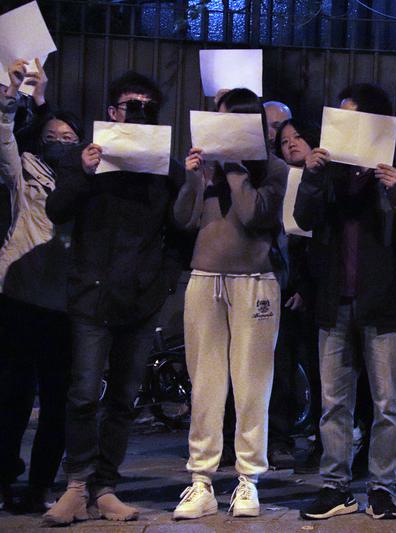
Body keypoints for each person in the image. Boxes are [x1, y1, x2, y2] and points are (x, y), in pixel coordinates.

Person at [42, 71, 185, 526]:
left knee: (123, 399)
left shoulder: (166, 169)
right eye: (130, 105)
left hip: (140, 301)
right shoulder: (86, 160)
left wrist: (162, 282)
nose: (138, 112)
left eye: (147, 107)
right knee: (83, 394)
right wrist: (84, 171)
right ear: (112, 112)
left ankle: (105, 487)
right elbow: (57, 211)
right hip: (91, 296)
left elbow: (183, 232)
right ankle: (77, 485)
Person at [295, 83, 396, 520]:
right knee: (334, 401)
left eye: (353, 117)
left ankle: (381, 487)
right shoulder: (329, 168)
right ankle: (335, 485)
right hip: (334, 300)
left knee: (387, 403)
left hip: (384, 300)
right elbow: (303, 219)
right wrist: (313, 176)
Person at [170, 88, 288, 520]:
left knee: (252, 383)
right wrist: (193, 179)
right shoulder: (208, 170)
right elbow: (183, 220)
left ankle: (248, 480)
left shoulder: (272, 168)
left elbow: (256, 215)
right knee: (205, 383)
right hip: (204, 280)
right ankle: (200, 480)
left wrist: (236, 168)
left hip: (255, 283)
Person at [0, 58, 77, 513]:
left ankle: (41, 483)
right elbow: (4, 137)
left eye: (70, 138)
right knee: (11, 396)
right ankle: (6, 474)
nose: (61, 144)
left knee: (57, 401)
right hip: (17, 295)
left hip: (65, 304)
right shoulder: (23, 166)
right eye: (54, 138)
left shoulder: (89, 176)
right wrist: (12, 96)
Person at [271, 117, 324, 474]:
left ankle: (324, 443)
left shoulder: (321, 180)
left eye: (297, 137)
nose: (290, 144)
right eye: (284, 140)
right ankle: (279, 439)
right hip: (279, 281)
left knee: (321, 370)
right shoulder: (277, 179)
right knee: (279, 367)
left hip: (316, 285)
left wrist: (305, 288)